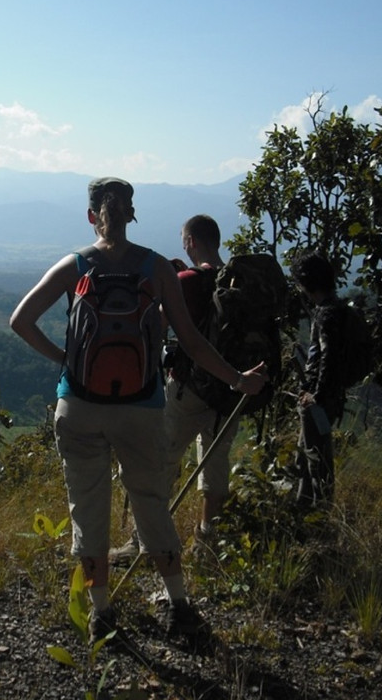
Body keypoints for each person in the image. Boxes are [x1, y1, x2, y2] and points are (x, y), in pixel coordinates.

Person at [9, 178, 268, 644]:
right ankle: (179, 605)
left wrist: (64, 359)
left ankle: (102, 613)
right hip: (142, 408)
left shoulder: (75, 265)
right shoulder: (157, 268)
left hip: (80, 406)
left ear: (92, 216)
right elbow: (192, 342)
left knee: (88, 509)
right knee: (152, 504)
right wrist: (237, 379)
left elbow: (20, 320)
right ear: (131, 214)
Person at [110, 214, 239, 564]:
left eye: (184, 238)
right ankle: (207, 543)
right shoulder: (235, 281)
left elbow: (157, 326)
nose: (183, 243)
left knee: (160, 462)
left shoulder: (187, 280)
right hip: (230, 389)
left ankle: (144, 543)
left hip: (189, 389)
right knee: (215, 462)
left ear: (192, 242)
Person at [290, 250, 347, 508]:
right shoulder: (337, 308)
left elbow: (329, 358)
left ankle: (320, 514)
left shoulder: (325, 314)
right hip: (327, 397)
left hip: (318, 400)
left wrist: (316, 396)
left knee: (317, 459)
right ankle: (303, 509)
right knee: (306, 455)